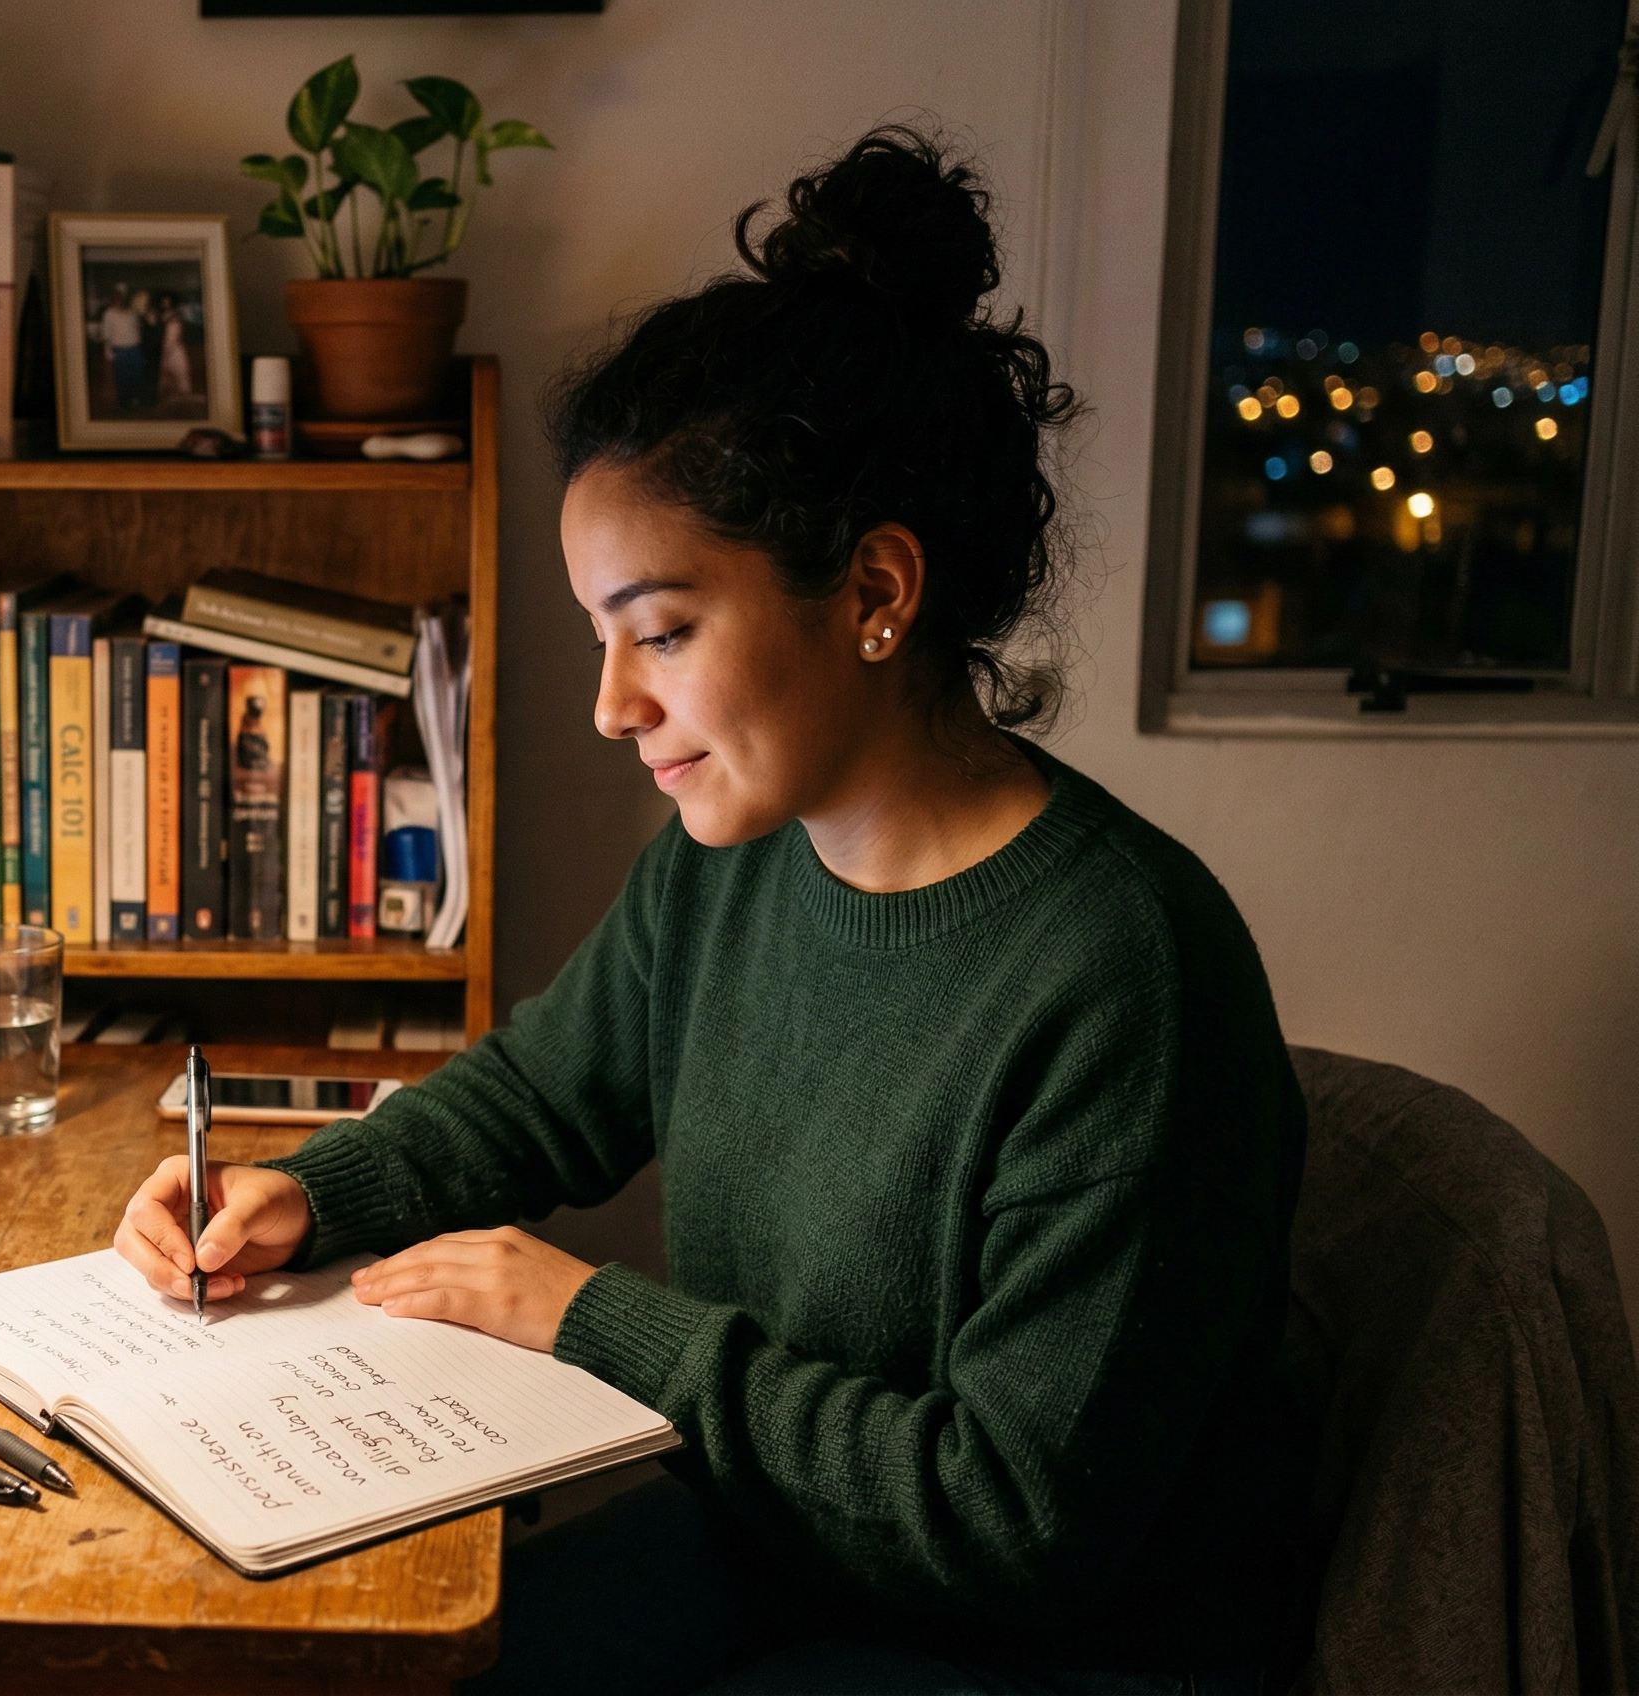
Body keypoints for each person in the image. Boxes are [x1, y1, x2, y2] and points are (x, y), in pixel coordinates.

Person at [114, 127, 1308, 1693]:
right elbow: (545, 1098)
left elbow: (1015, 1523)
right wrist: (309, 1194)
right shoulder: (734, 850)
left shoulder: (1124, 973)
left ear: (878, 593)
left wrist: (599, 1322)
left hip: (1038, 1644)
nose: (614, 708)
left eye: (660, 633)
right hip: (774, 1546)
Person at [96, 283, 145, 414]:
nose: (121, 299)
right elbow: (106, 335)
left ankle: (136, 400)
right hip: (120, 351)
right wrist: (108, 353)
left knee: (136, 376)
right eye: (118, 296)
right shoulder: (108, 314)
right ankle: (124, 403)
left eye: (124, 296)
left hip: (135, 350)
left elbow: (138, 328)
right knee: (123, 379)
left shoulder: (133, 312)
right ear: (114, 297)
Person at [158, 291, 195, 404]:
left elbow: (174, 335)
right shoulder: (161, 316)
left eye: (167, 301)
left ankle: (182, 399)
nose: (165, 304)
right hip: (164, 349)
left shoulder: (176, 316)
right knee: (165, 376)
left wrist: (166, 349)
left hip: (175, 350)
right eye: (163, 301)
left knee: (180, 375)